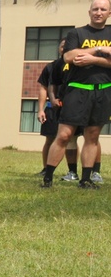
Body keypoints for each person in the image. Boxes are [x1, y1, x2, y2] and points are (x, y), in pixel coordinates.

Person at [41, 0, 111, 188]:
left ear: (109, 13)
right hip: (77, 91)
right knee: (64, 135)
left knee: (92, 136)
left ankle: (86, 179)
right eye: (95, 9)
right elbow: (69, 57)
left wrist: (92, 60)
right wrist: (99, 49)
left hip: (103, 91)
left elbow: (83, 58)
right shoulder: (77, 33)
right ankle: (47, 178)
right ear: (89, 12)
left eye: (103, 9)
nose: (98, 12)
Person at [37, 39, 83, 179]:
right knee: (50, 139)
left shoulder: (80, 65)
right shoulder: (52, 66)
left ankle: (73, 172)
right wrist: (41, 109)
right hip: (53, 108)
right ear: (59, 49)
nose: (64, 48)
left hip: (74, 107)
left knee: (71, 139)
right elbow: (45, 88)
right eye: (62, 46)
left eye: (67, 46)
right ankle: (46, 169)